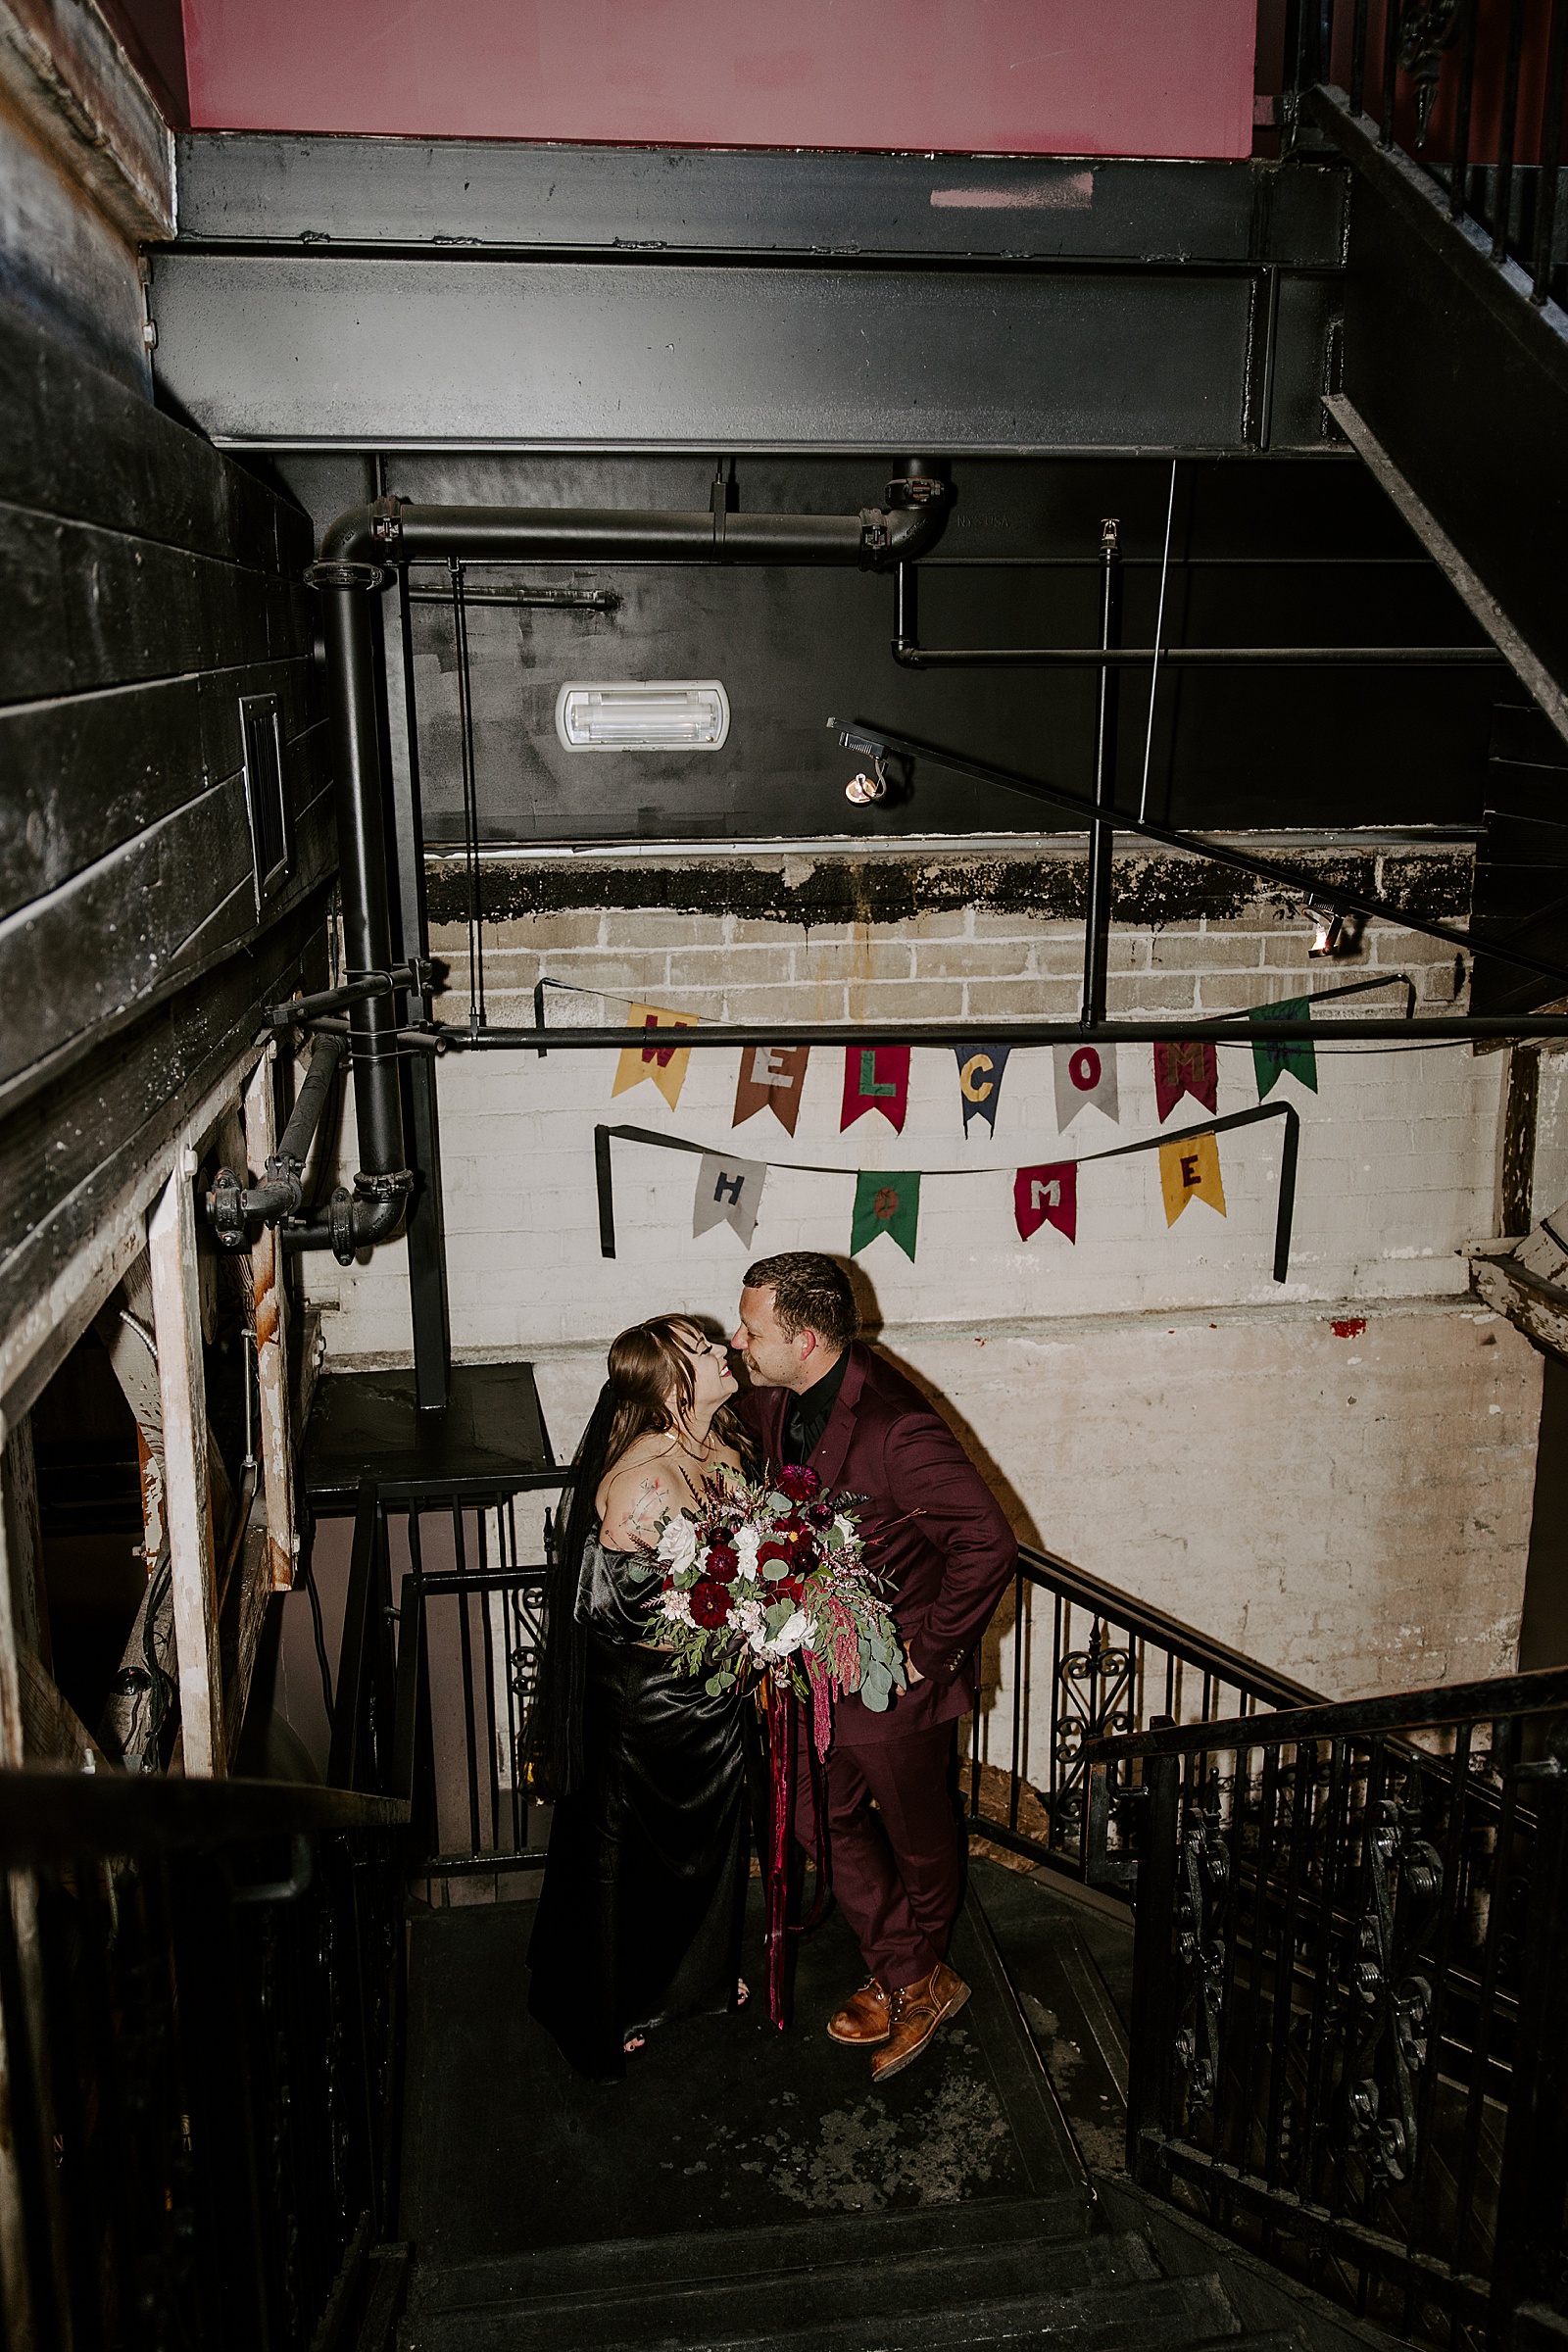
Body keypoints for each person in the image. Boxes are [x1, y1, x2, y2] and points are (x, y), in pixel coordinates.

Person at [731, 1252, 1016, 2082]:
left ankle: (909, 1977)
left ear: (807, 1340)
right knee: (814, 1815)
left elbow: (987, 1543)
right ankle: (913, 1973)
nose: (739, 1341)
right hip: (819, 1676)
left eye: (752, 1330)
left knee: (920, 1841)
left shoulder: (897, 1427)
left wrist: (925, 1657)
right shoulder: (781, 1395)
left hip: (898, 1689)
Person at [526, 1315, 752, 2081]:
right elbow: (635, 1619)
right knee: (631, 1855)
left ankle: (695, 1976)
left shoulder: (725, 1449)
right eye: (703, 1351)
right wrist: (751, 1618)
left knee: (707, 1845)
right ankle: (609, 2000)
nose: (725, 1351)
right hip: (648, 1710)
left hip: (713, 1701)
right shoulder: (639, 1484)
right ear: (666, 1389)